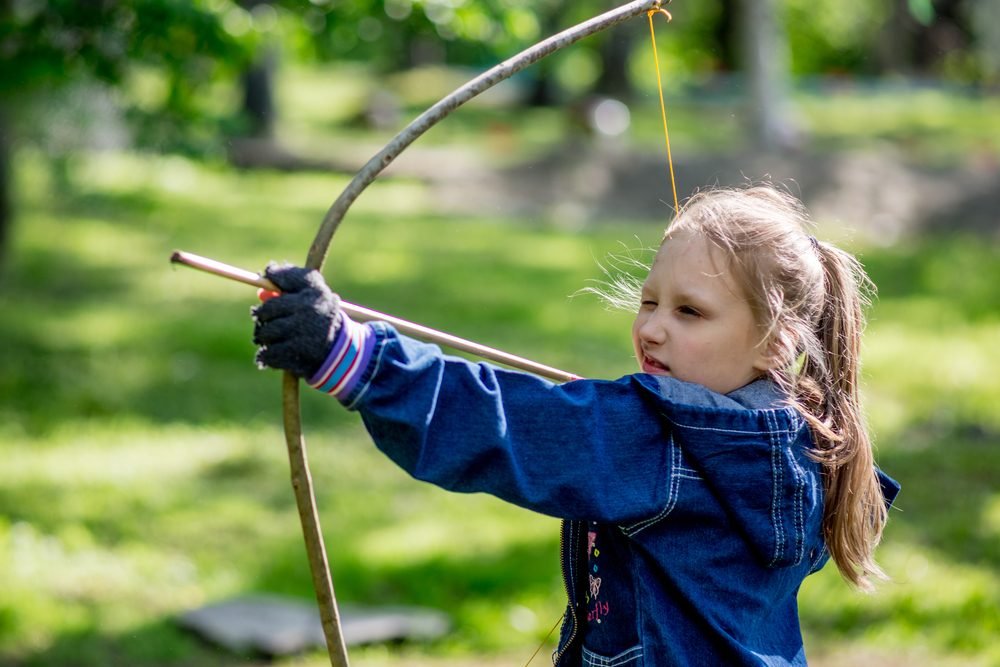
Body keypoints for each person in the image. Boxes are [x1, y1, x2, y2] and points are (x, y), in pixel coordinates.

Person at [251, 185, 899, 666]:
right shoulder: (806, 436)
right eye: (649, 301)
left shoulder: (656, 440)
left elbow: (507, 428)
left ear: (775, 342)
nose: (651, 326)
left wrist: (354, 357)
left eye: (690, 311)